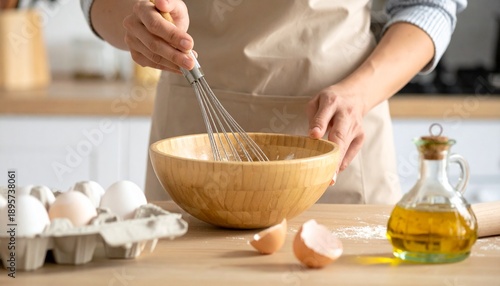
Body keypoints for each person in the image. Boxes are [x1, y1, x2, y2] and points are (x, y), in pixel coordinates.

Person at [80, 0, 466, 204]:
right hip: (196, 144)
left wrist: (359, 95)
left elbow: (431, 5)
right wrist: (141, 21)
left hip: (338, 139)